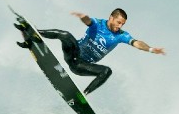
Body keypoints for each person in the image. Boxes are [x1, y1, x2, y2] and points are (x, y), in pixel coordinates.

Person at [15, 8, 166, 95]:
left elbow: (136, 43)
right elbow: (88, 21)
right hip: (73, 53)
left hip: (82, 65)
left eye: (123, 24)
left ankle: (84, 95)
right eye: (118, 22)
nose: (120, 26)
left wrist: (151, 49)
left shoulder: (121, 36)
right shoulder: (98, 24)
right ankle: (34, 33)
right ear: (111, 18)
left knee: (107, 71)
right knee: (66, 35)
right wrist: (83, 17)